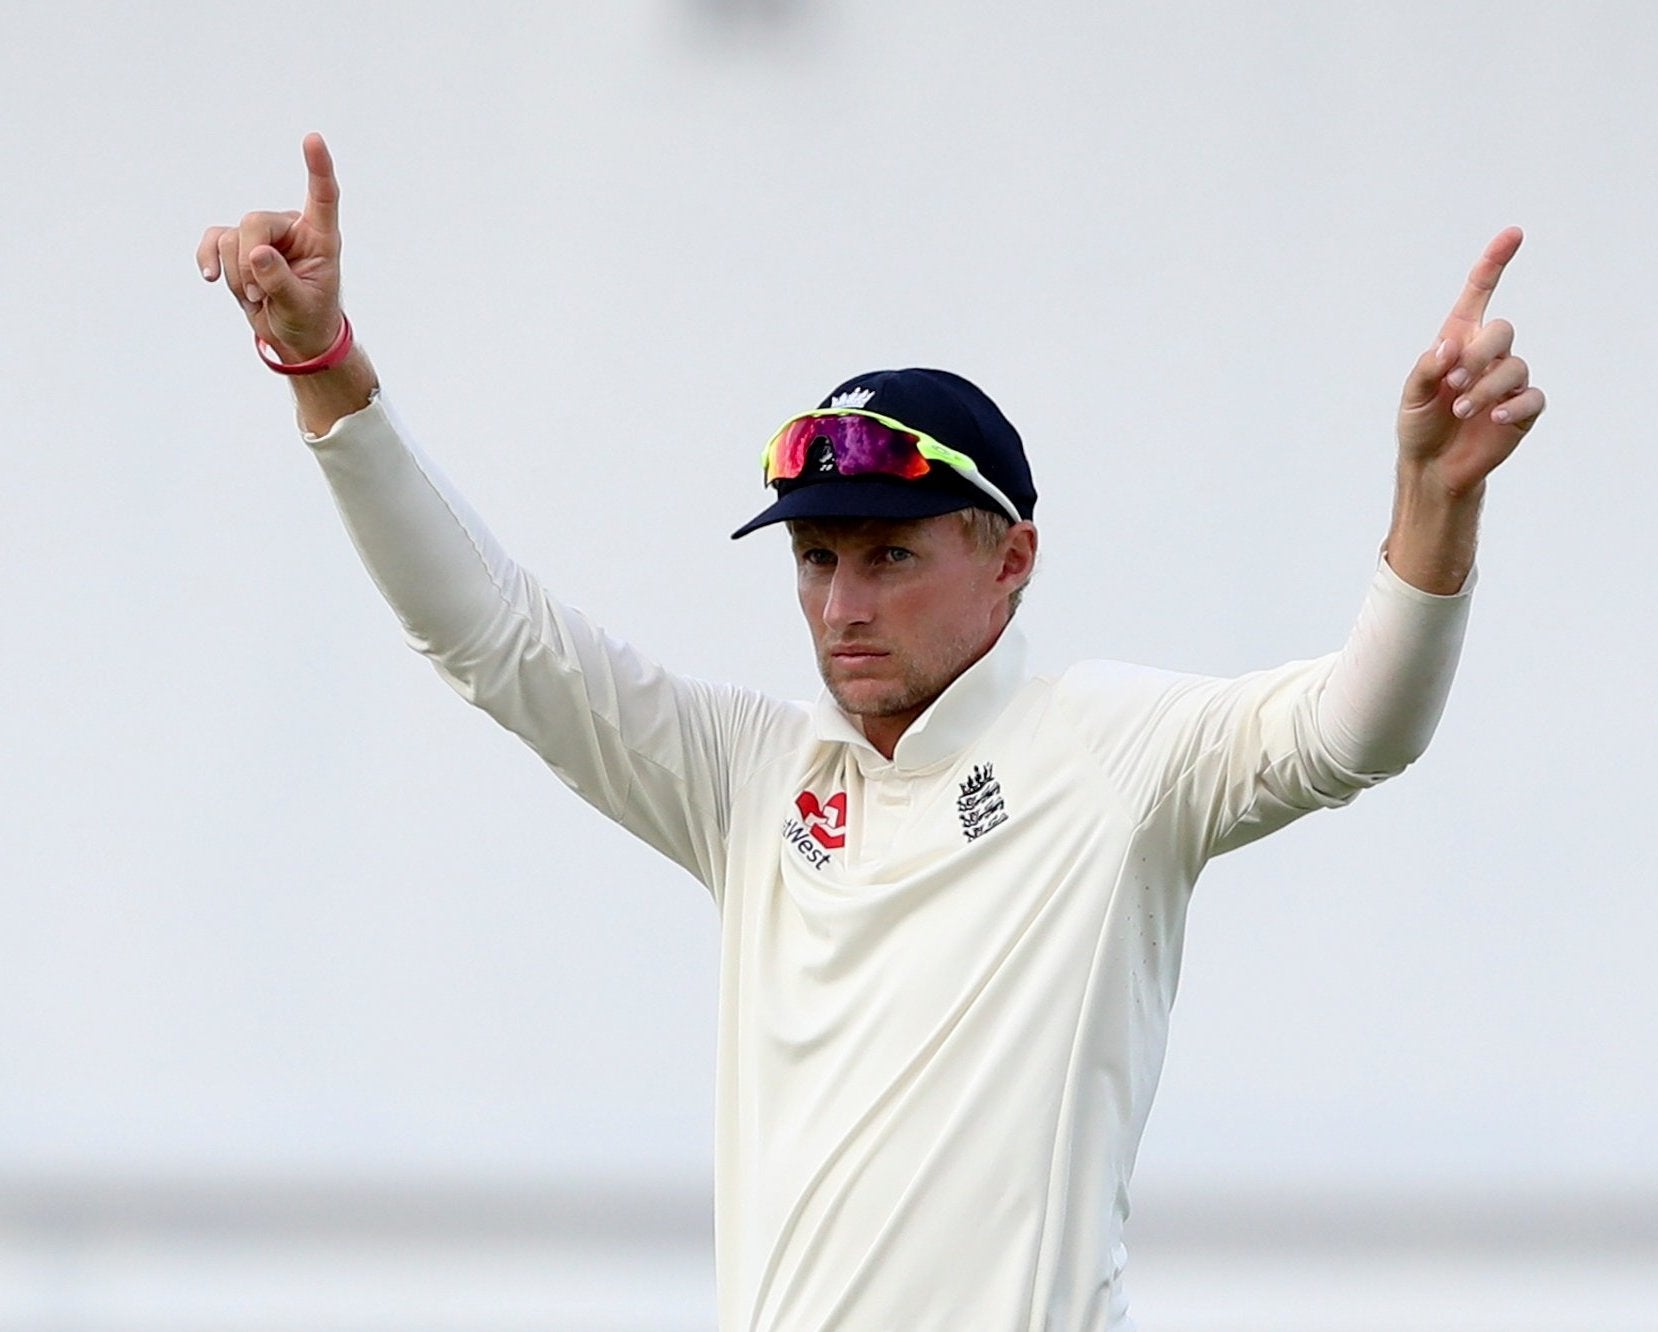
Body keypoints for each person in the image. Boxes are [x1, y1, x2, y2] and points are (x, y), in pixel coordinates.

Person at [198, 134, 1544, 1331]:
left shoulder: (1117, 752)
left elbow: (1359, 730)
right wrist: (325, 369)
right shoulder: (748, 777)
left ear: (1009, 561)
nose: (839, 606)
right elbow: (486, 637)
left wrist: (1434, 505)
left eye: (888, 558)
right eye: (816, 562)